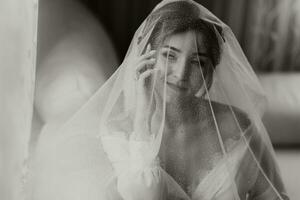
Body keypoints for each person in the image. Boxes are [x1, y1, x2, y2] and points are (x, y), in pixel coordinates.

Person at [25, 0, 289, 200]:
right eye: (169, 56)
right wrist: (142, 121)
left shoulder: (237, 126)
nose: (181, 74)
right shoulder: (119, 130)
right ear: (146, 56)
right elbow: (142, 194)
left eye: (198, 62)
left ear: (211, 72)